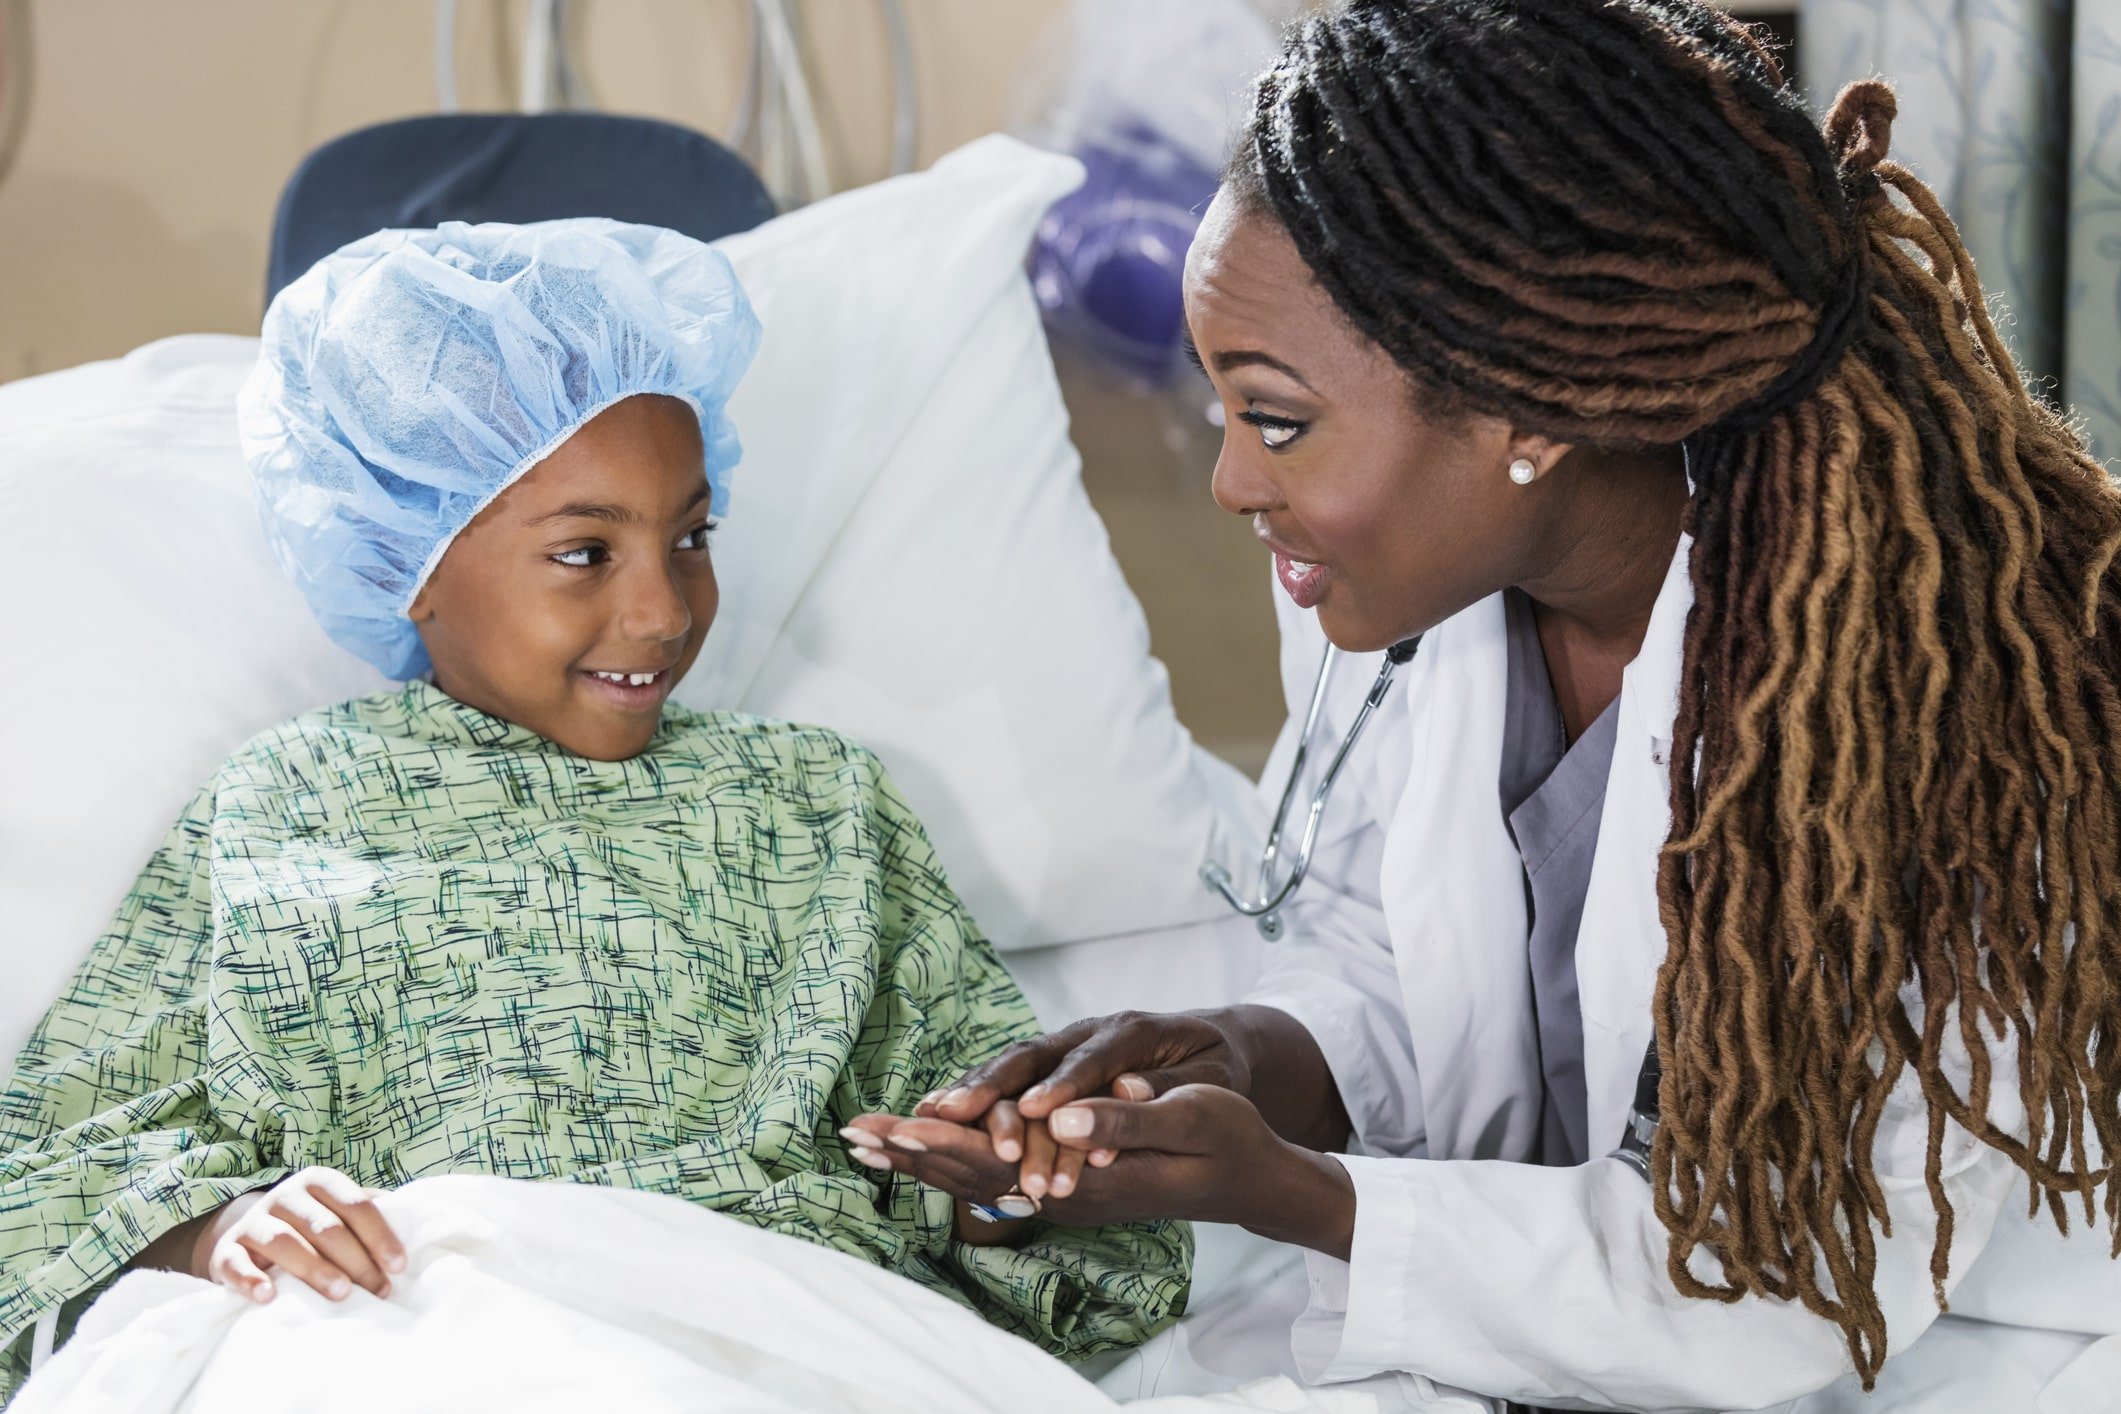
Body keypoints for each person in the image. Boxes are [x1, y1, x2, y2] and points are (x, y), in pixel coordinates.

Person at [842, 1, 2121, 1408]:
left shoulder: (1896, 700)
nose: (1230, 485)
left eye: (1275, 419)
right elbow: (1386, 940)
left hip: (1983, 1340)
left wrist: (1307, 1198)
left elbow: (1783, 1285)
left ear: (1532, 412)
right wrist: (1251, 1060)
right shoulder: (1388, 589)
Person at [0, 219, 1188, 1399]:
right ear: (408, 557)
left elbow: (1011, 1176)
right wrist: (220, 1227)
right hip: (417, 1321)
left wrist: (999, 1184)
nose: (665, 611)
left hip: (783, 1319)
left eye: (691, 538)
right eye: (584, 553)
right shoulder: (285, 802)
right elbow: (47, 1167)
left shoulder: (819, 803)